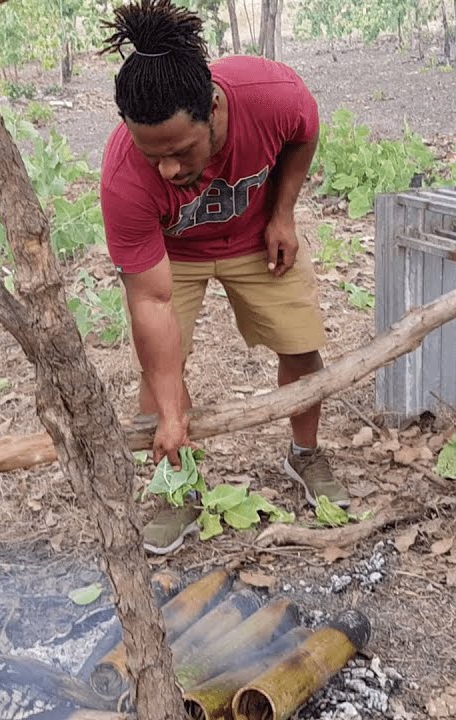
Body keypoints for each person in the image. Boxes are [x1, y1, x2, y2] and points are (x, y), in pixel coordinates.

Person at [98, 0, 351, 554]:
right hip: (174, 256)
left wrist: (283, 213)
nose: (167, 169)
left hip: (256, 237)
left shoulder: (272, 96)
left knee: (302, 347)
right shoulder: (124, 178)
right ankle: (178, 487)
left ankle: (305, 454)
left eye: (181, 150)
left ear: (212, 107)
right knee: (158, 370)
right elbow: (152, 302)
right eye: (152, 154)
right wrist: (169, 414)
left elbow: (304, 134)